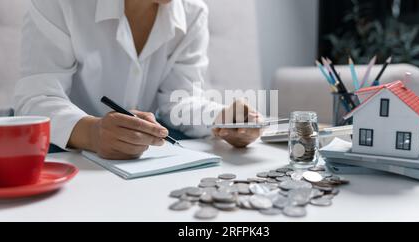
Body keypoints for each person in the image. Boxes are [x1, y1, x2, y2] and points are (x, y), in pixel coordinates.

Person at [14, 0, 262, 160]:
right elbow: (37, 99)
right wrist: (92, 133)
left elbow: (179, 101)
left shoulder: (193, 12)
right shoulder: (59, 3)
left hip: (142, 159)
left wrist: (224, 120)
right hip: (68, 156)